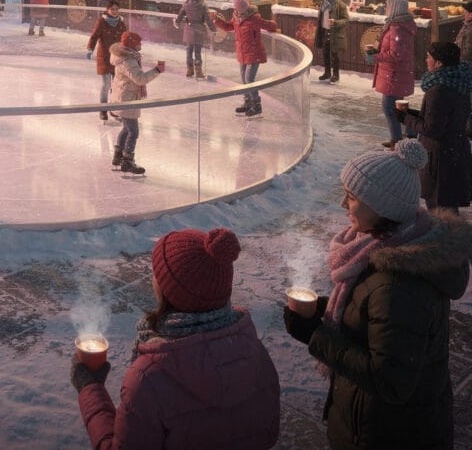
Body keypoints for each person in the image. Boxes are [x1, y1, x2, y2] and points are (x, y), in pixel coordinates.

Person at [282, 140, 472, 450]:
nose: (344, 205)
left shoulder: (398, 284)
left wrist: (316, 335)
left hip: (387, 432)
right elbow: (374, 319)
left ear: (384, 207)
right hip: (378, 421)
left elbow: (390, 380)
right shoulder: (385, 249)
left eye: (352, 197)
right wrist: (324, 309)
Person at [73, 226, 280, 449]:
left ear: (167, 290)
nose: (153, 278)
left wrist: (90, 387)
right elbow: (268, 432)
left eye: (156, 273)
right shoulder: (254, 350)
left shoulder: (149, 379)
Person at [404, 41, 472, 215]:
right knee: (449, 207)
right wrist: (411, 114)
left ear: (439, 63)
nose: (426, 60)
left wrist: (405, 118)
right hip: (456, 151)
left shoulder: (438, 90)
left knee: (438, 208)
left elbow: (433, 129)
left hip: (439, 158)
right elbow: (447, 118)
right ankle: (454, 238)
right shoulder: (460, 82)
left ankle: (449, 241)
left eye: (429, 57)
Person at [107, 31, 163, 175]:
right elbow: (139, 79)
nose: (141, 44)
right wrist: (157, 70)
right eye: (139, 42)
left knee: (126, 129)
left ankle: (118, 157)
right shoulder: (128, 60)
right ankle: (127, 161)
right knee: (133, 131)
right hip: (127, 99)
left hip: (123, 96)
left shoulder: (126, 57)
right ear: (132, 44)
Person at [214, 0, 279, 118]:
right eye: (236, 9)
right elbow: (228, 27)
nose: (236, 11)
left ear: (244, 9)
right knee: (244, 80)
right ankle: (248, 102)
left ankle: (256, 105)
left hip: (254, 52)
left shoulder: (254, 19)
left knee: (249, 79)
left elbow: (269, 25)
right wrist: (217, 20)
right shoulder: (235, 17)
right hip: (242, 52)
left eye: (238, 10)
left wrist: (274, 27)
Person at [371, 0, 416, 148]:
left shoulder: (398, 29)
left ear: (395, 9)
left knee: (389, 107)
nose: (385, 9)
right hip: (396, 73)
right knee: (397, 106)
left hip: (395, 74)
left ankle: (397, 139)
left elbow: (396, 54)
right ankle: (409, 133)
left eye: (388, 6)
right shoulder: (395, 25)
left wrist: (375, 57)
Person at [87, 0, 127, 120]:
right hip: (104, 57)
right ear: (107, 10)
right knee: (106, 85)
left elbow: (125, 38)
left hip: (117, 58)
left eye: (116, 9)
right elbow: (94, 36)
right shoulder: (102, 21)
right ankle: (103, 110)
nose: (115, 11)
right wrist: (90, 48)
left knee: (116, 86)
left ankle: (114, 110)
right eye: (112, 9)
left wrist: (129, 50)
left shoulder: (121, 23)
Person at [174, 0, 216, 79]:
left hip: (189, 28)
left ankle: (189, 70)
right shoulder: (203, 5)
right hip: (199, 29)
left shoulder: (186, 3)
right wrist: (213, 29)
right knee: (197, 51)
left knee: (189, 49)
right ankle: (198, 71)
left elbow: (180, 14)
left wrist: (177, 22)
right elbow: (207, 19)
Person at [315, 0, 349, 84]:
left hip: (335, 33)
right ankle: (327, 73)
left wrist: (335, 22)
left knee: (334, 55)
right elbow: (321, 18)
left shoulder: (341, 5)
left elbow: (346, 20)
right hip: (325, 32)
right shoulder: (324, 3)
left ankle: (336, 75)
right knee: (325, 54)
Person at [456, 0, 472, 65]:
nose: (463, 14)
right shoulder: (467, 25)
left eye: (465, 12)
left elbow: (466, 53)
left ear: (471, 15)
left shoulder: (470, 30)